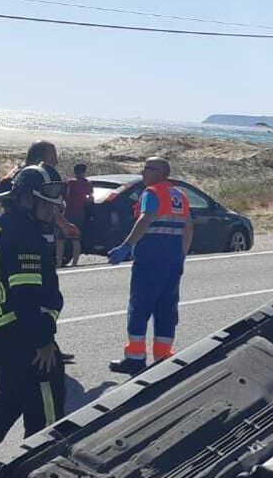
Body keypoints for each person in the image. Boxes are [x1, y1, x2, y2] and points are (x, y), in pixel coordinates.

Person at [0, 164, 66, 452]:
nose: (52, 210)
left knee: (9, 396)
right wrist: (43, 340)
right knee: (46, 407)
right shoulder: (25, 236)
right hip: (23, 335)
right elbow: (26, 296)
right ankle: (40, 464)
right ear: (26, 197)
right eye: (46, 204)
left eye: (55, 204)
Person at [108, 157, 192, 374]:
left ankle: (135, 359)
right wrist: (181, 256)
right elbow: (188, 227)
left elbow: (145, 219)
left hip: (150, 261)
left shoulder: (152, 192)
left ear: (161, 173)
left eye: (148, 168)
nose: (143, 172)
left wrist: (126, 246)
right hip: (172, 262)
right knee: (166, 310)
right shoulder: (180, 195)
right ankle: (163, 358)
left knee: (139, 308)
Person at [62, 162, 94, 266]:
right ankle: (74, 263)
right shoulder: (87, 183)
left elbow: (65, 196)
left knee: (60, 238)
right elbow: (90, 198)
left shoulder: (70, 183)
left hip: (68, 212)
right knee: (76, 239)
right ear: (84, 172)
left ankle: (58, 262)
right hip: (80, 213)